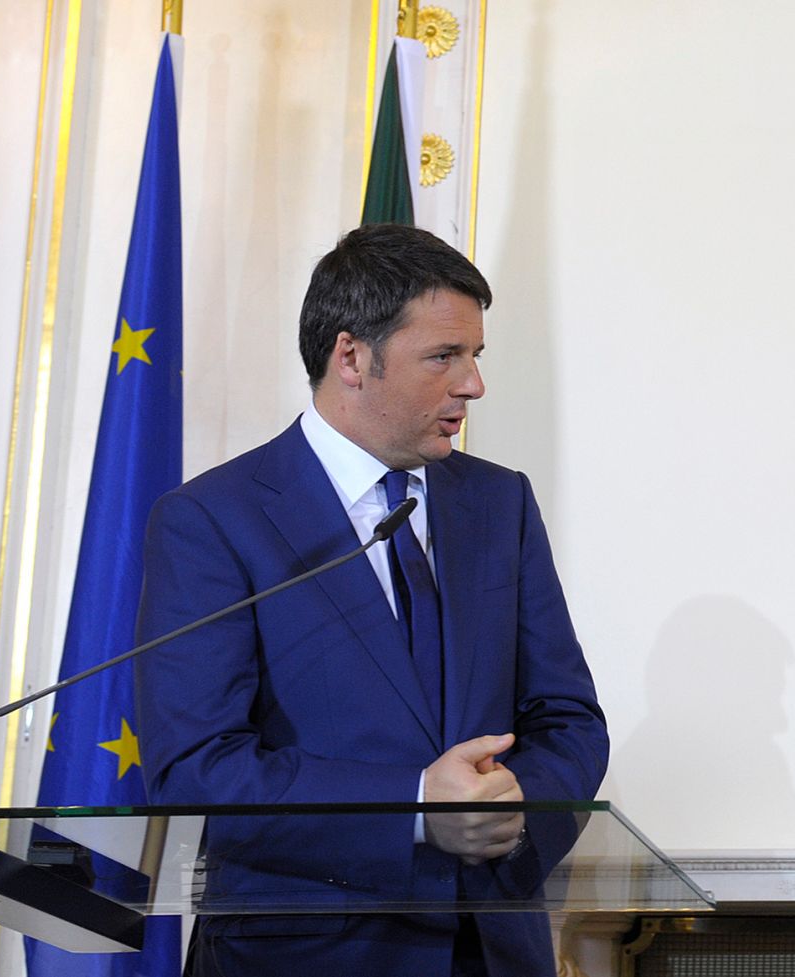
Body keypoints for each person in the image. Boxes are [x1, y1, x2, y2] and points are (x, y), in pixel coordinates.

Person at [135, 223, 608, 977]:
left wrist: (517, 807)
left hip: (489, 953)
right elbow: (196, 770)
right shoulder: (213, 519)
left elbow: (568, 719)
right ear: (352, 357)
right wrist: (415, 807)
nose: (473, 385)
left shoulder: (500, 503)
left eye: (476, 355)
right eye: (444, 356)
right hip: (304, 955)